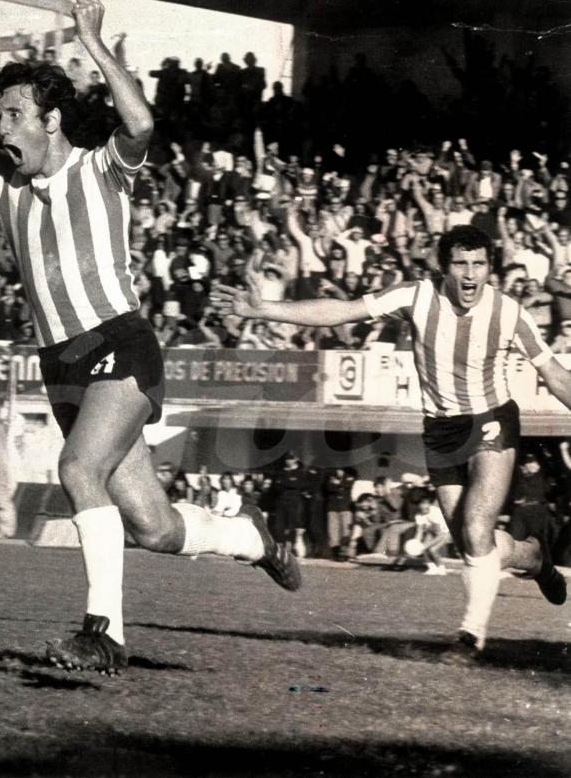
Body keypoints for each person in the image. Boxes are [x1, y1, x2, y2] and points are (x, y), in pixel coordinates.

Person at [0, 0, 300, 676]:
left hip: (121, 342)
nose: (0, 126)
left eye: (13, 114)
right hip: (61, 361)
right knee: (152, 525)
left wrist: (93, 44)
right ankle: (250, 536)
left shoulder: (100, 167)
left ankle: (103, 631)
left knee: (76, 470)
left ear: (51, 119)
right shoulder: (2, 177)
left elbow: (143, 121)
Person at [213, 224, 570, 663]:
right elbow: (341, 311)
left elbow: (555, 376)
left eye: (479, 263)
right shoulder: (416, 296)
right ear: (443, 267)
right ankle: (533, 557)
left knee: (477, 527)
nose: (470, 274)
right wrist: (264, 309)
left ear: (490, 268)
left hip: (491, 420)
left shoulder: (509, 312)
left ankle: (469, 639)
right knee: (472, 542)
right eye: (460, 263)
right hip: (440, 429)